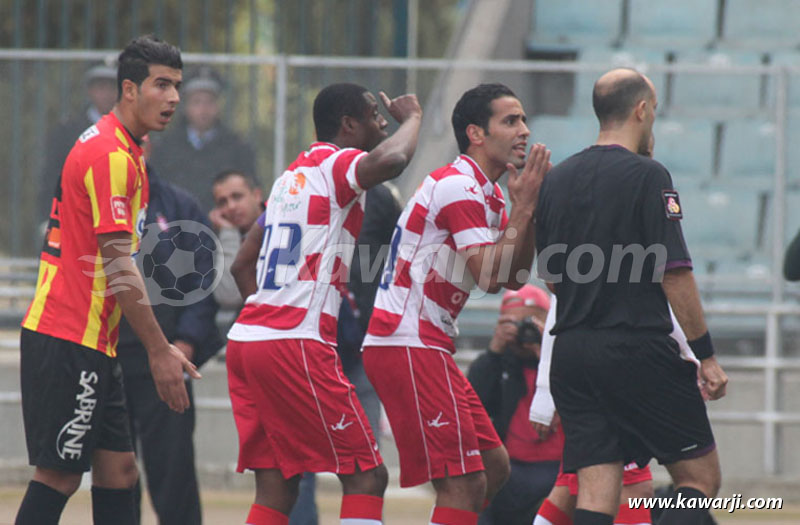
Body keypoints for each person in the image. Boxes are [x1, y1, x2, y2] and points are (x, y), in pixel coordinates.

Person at [16, 35, 198, 525]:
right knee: (59, 476)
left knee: (118, 470)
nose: (174, 98)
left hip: (97, 341)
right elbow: (119, 265)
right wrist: (160, 350)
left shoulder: (123, 149)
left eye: (177, 86)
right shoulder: (110, 155)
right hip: (69, 336)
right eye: (162, 85)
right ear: (129, 90)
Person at [534, 68, 728, 525]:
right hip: (635, 348)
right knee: (699, 480)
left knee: (597, 491)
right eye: (654, 110)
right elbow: (674, 274)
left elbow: (553, 279)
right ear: (642, 110)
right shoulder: (649, 175)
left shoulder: (557, 179)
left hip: (573, 354)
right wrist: (707, 356)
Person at [226, 82, 422, 525]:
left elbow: (242, 264)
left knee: (277, 486)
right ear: (349, 125)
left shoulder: (288, 179)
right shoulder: (339, 163)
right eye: (374, 114)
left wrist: (267, 318)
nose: (382, 121)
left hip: (247, 341)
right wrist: (413, 118)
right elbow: (391, 159)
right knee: (367, 477)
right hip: (294, 342)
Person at [361, 83, 552, 525]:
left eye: (523, 119)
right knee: (464, 484)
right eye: (510, 121)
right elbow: (488, 273)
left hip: (426, 346)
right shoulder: (458, 186)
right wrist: (522, 211)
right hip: (407, 343)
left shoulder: (486, 193)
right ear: (476, 134)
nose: (523, 130)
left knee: (492, 468)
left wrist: (528, 212)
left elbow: (512, 277)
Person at [117, 136, 224, 525]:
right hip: (110, 358)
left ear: (151, 145)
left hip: (168, 362)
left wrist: (186, 342)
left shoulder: (179, 206)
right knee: (116, 471)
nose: (135, 148)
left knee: (174, 471)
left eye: (140, 141)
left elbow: (202, 282)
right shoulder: (100, 205)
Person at [466, 285, 565, 525]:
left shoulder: (566, 360)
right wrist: (495, 350)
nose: (524, 331)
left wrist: (547, 353)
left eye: (529, 322)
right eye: (513, 323)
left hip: (558, 472)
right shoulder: (498, 364)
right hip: (509, 471)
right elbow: (471, 405)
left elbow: (580, 392)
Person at [149, 67, 256, 211]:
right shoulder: (166, 147)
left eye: (209, 102)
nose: (203, 109)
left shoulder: (237, 147)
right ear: (185, 106)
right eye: (196, 102)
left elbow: (250, 190)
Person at [39, 62, 119, 221]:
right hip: (76, 216)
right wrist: (47, 215)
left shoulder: (131, 130)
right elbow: (53, 174)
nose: (107, 94)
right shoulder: (68, 131)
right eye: (101, 87)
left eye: (112, 87)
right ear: (90, 91)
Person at [208, 170, 265, 311]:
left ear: (257, 195)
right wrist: (228, 233)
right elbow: (229, 296)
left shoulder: (280, 228)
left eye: (237, 197)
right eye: (222, 202)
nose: (231, 207)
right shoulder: (219, 238)